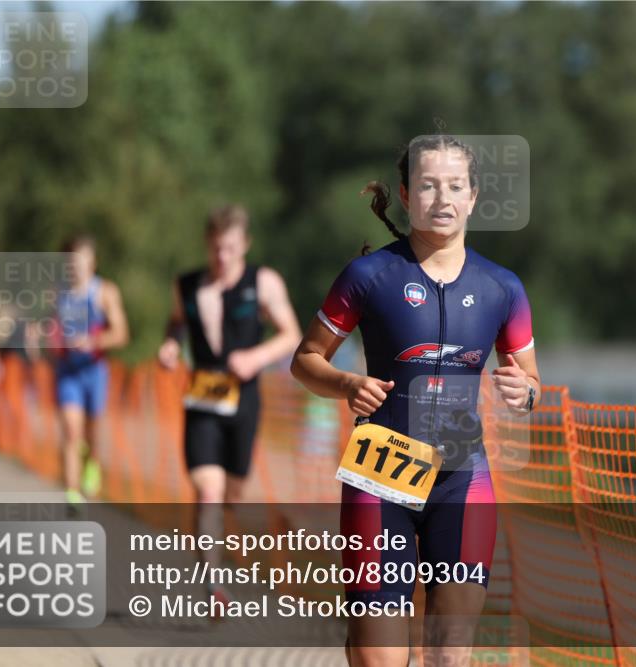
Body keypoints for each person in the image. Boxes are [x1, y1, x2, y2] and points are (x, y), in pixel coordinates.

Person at [291, 135, 541, 667]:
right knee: (380, 657)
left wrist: (527, 391)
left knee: (450, 655)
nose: (442, 197)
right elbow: (305, 359)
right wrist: (346, 385)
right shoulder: (369, 276)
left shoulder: (504, 287)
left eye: (455, 185)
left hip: (463, 481)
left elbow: (530, 382)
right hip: (382, 475)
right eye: (427, 185)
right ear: (406, 195)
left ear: (473, 197)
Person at [157, 204, 301, 606]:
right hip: (202, 395)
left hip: (245, 397)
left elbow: (291, 334)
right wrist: (170, 345)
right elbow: (174, 322)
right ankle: (214, 585)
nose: (223, 258)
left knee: (231, 494)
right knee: (208, 489)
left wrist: (255, 357)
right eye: (217, 248)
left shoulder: (264, 282)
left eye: (231, 249)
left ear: (245, 246)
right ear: (207, 245)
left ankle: (217, 540)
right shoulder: (186, 285)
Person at [53, 235, 129, 506]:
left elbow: (121, 334)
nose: (75, 266)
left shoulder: (105, 292)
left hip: (95, 371)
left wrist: (93, 341)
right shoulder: (57, 293)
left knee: (92, 431)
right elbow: (50, 329)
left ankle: (93, 462)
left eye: (81, 260)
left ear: (92, 262)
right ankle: (72, 495)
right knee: (71, 431)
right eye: (70, 262)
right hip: (67, 372)